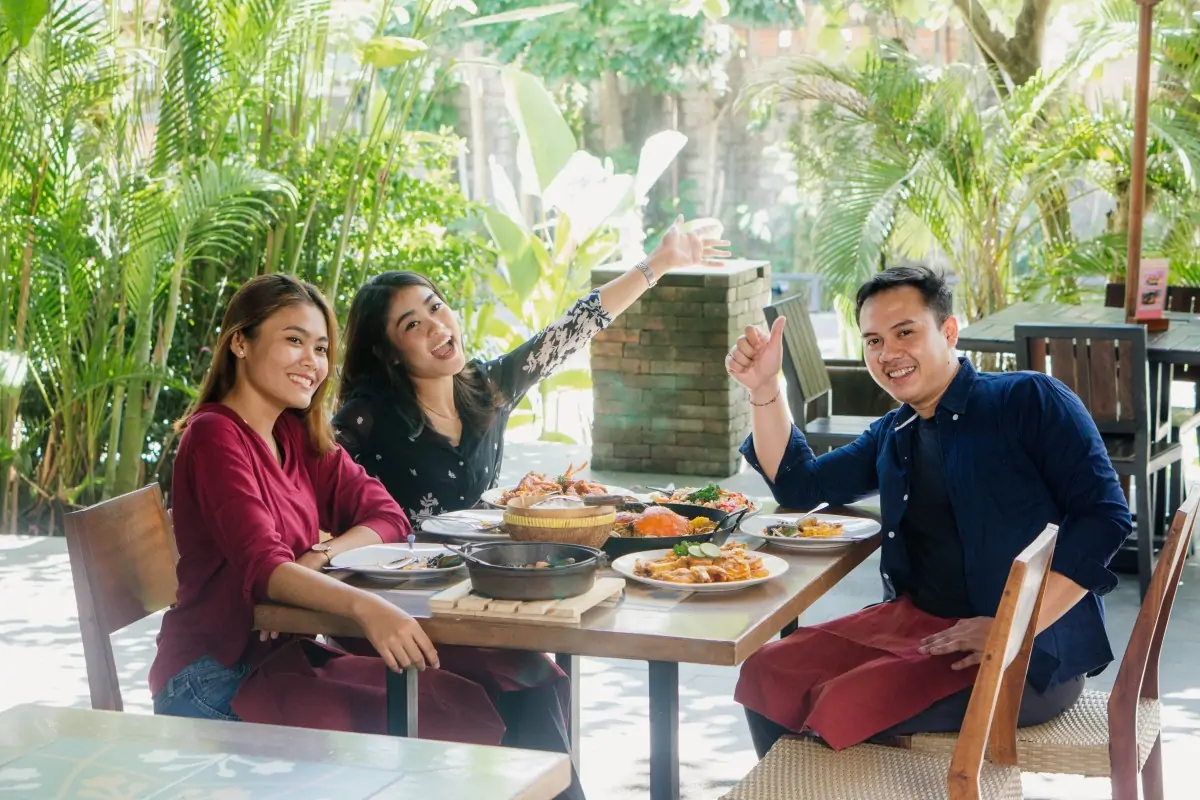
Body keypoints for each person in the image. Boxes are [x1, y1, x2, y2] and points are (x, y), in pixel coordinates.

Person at [148, 275, 577, 799]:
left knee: (477, 696)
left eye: (321, 347)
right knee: (443, 729)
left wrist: (321, 553)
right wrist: (368, 610)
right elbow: (265, 570)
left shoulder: (293, 432)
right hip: (215, 678)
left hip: (285, 659)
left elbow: (386, 514)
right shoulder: (215, 435)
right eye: (294, 340)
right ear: (240, 342)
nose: (311, 360)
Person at [725, 265, 1131, 756]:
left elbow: (1105, 518)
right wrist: (764, 387)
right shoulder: (895, 433)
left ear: (948, 331)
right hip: (916, 627)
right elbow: (799, 484)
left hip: (1028, 654)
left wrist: (1011, 626)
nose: (888, 353)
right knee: (767, 673)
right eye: (873, 340)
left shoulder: (1028, 400)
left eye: (905, 333)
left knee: (837, 707)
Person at [332, 216, 729, 520]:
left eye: (435, 306)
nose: (436, 325)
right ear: (390, 354)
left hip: (489, 576)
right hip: (401, 597)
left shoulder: (489, 388)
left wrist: (661, 261)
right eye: (412, 324)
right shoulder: (366, 418)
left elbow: (576, 326)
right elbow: (308, 483)